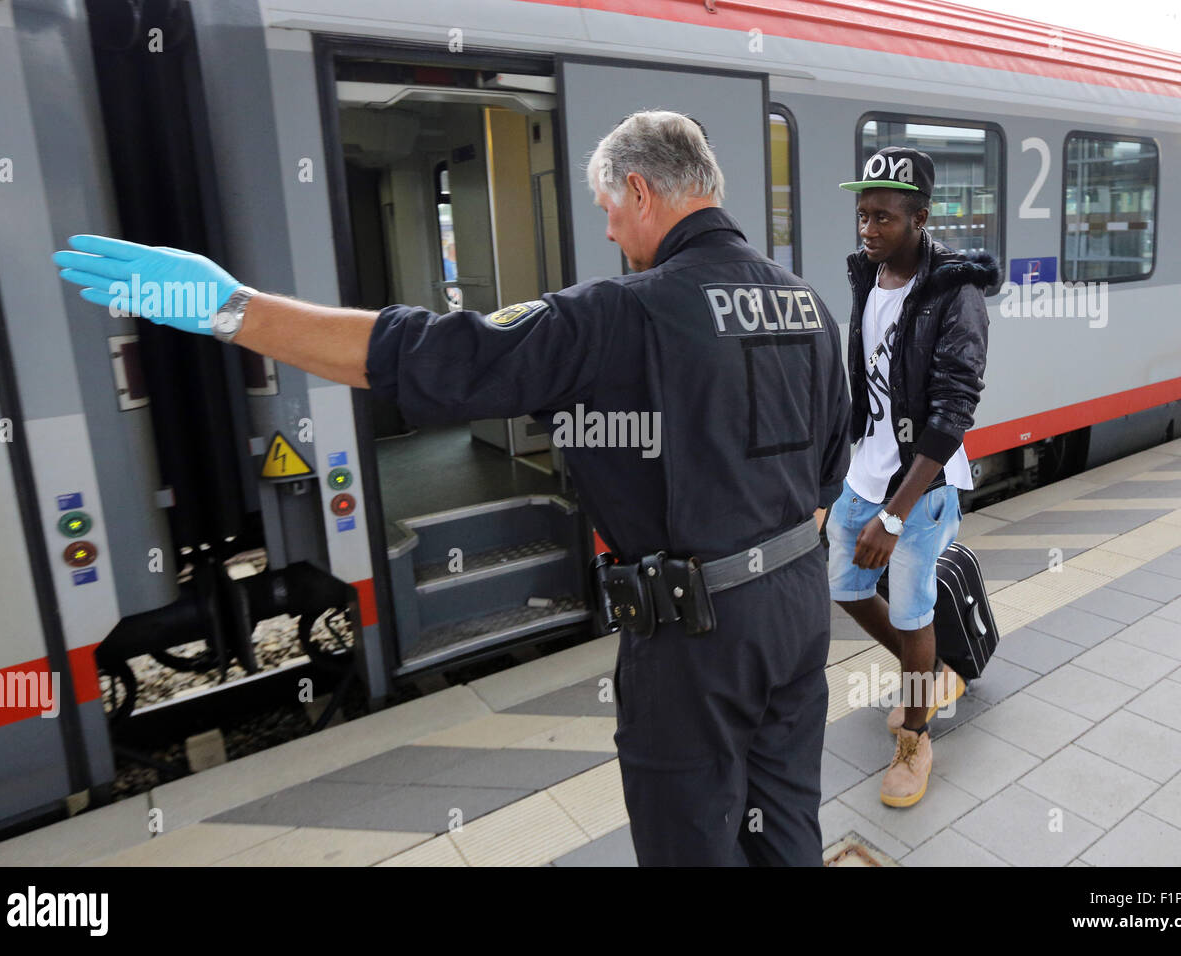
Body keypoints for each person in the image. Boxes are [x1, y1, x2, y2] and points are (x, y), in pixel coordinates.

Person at [53, 110, 852, 866]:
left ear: (642, 192)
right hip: (796, 605)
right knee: (782, 817)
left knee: (690, 836)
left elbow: (437, 354)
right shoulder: (807, 304)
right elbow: (827, 475)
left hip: (697, 638)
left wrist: (235, 311)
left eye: (609, 206)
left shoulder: (622, 314)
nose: (608, 228)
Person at [826, 146, 993, 808]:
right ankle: (931, 671)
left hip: (918, 489)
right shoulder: (868, 278)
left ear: (920, 218)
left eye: (884, 218)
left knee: (911, 606)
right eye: (862, 216)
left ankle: (917, 736)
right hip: (864, 472)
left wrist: (894, 515)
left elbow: (953, 413)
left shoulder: (955, 290)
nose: (869, 230)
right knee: (845, 585)